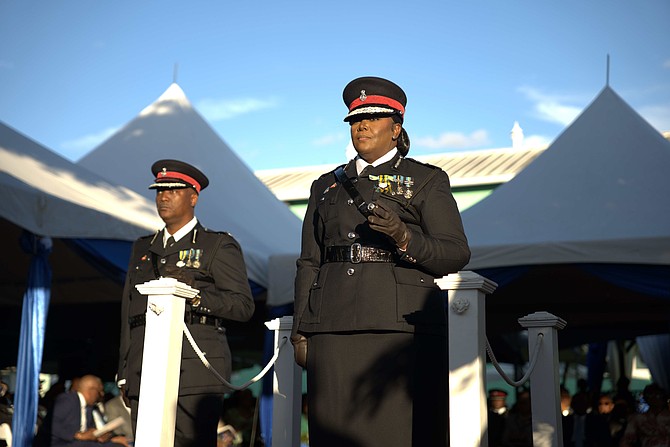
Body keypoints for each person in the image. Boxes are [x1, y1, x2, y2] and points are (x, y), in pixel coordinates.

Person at [292, 76, 471, 447]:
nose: (363, 124)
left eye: (374, 117)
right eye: (357, 118)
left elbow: (455, 252)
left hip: (398, 324)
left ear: (397, 128)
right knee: (333, 434)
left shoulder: (426, 180)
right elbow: (309, 261)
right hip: (332, 323)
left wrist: (404, 237)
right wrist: (300, 329)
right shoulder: (324, 186)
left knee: (398, 434)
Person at [117, 159, 255, 447]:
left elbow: (242, 306)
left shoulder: (217, 245)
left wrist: (195, 296)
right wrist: (124, 372)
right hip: (144, 367)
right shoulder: (143, 247)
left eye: (173, 190)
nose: (163, 197)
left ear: (193, 196)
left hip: (194, 369)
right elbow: (129, 313)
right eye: (159, 191)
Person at [49, 374, 129, 447]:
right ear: (92, 391)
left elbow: (89, 432)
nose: (102, 395)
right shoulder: (68, 400)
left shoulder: (89, 408)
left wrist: (99, 435)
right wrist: (77, 435)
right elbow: (52, 423)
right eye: (100, 391)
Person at [620, 383, 670, 447]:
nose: (655, 399)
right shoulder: (638, 418)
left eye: (658, 395)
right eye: (650, 396)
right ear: (646, 399)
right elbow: (627, 439)